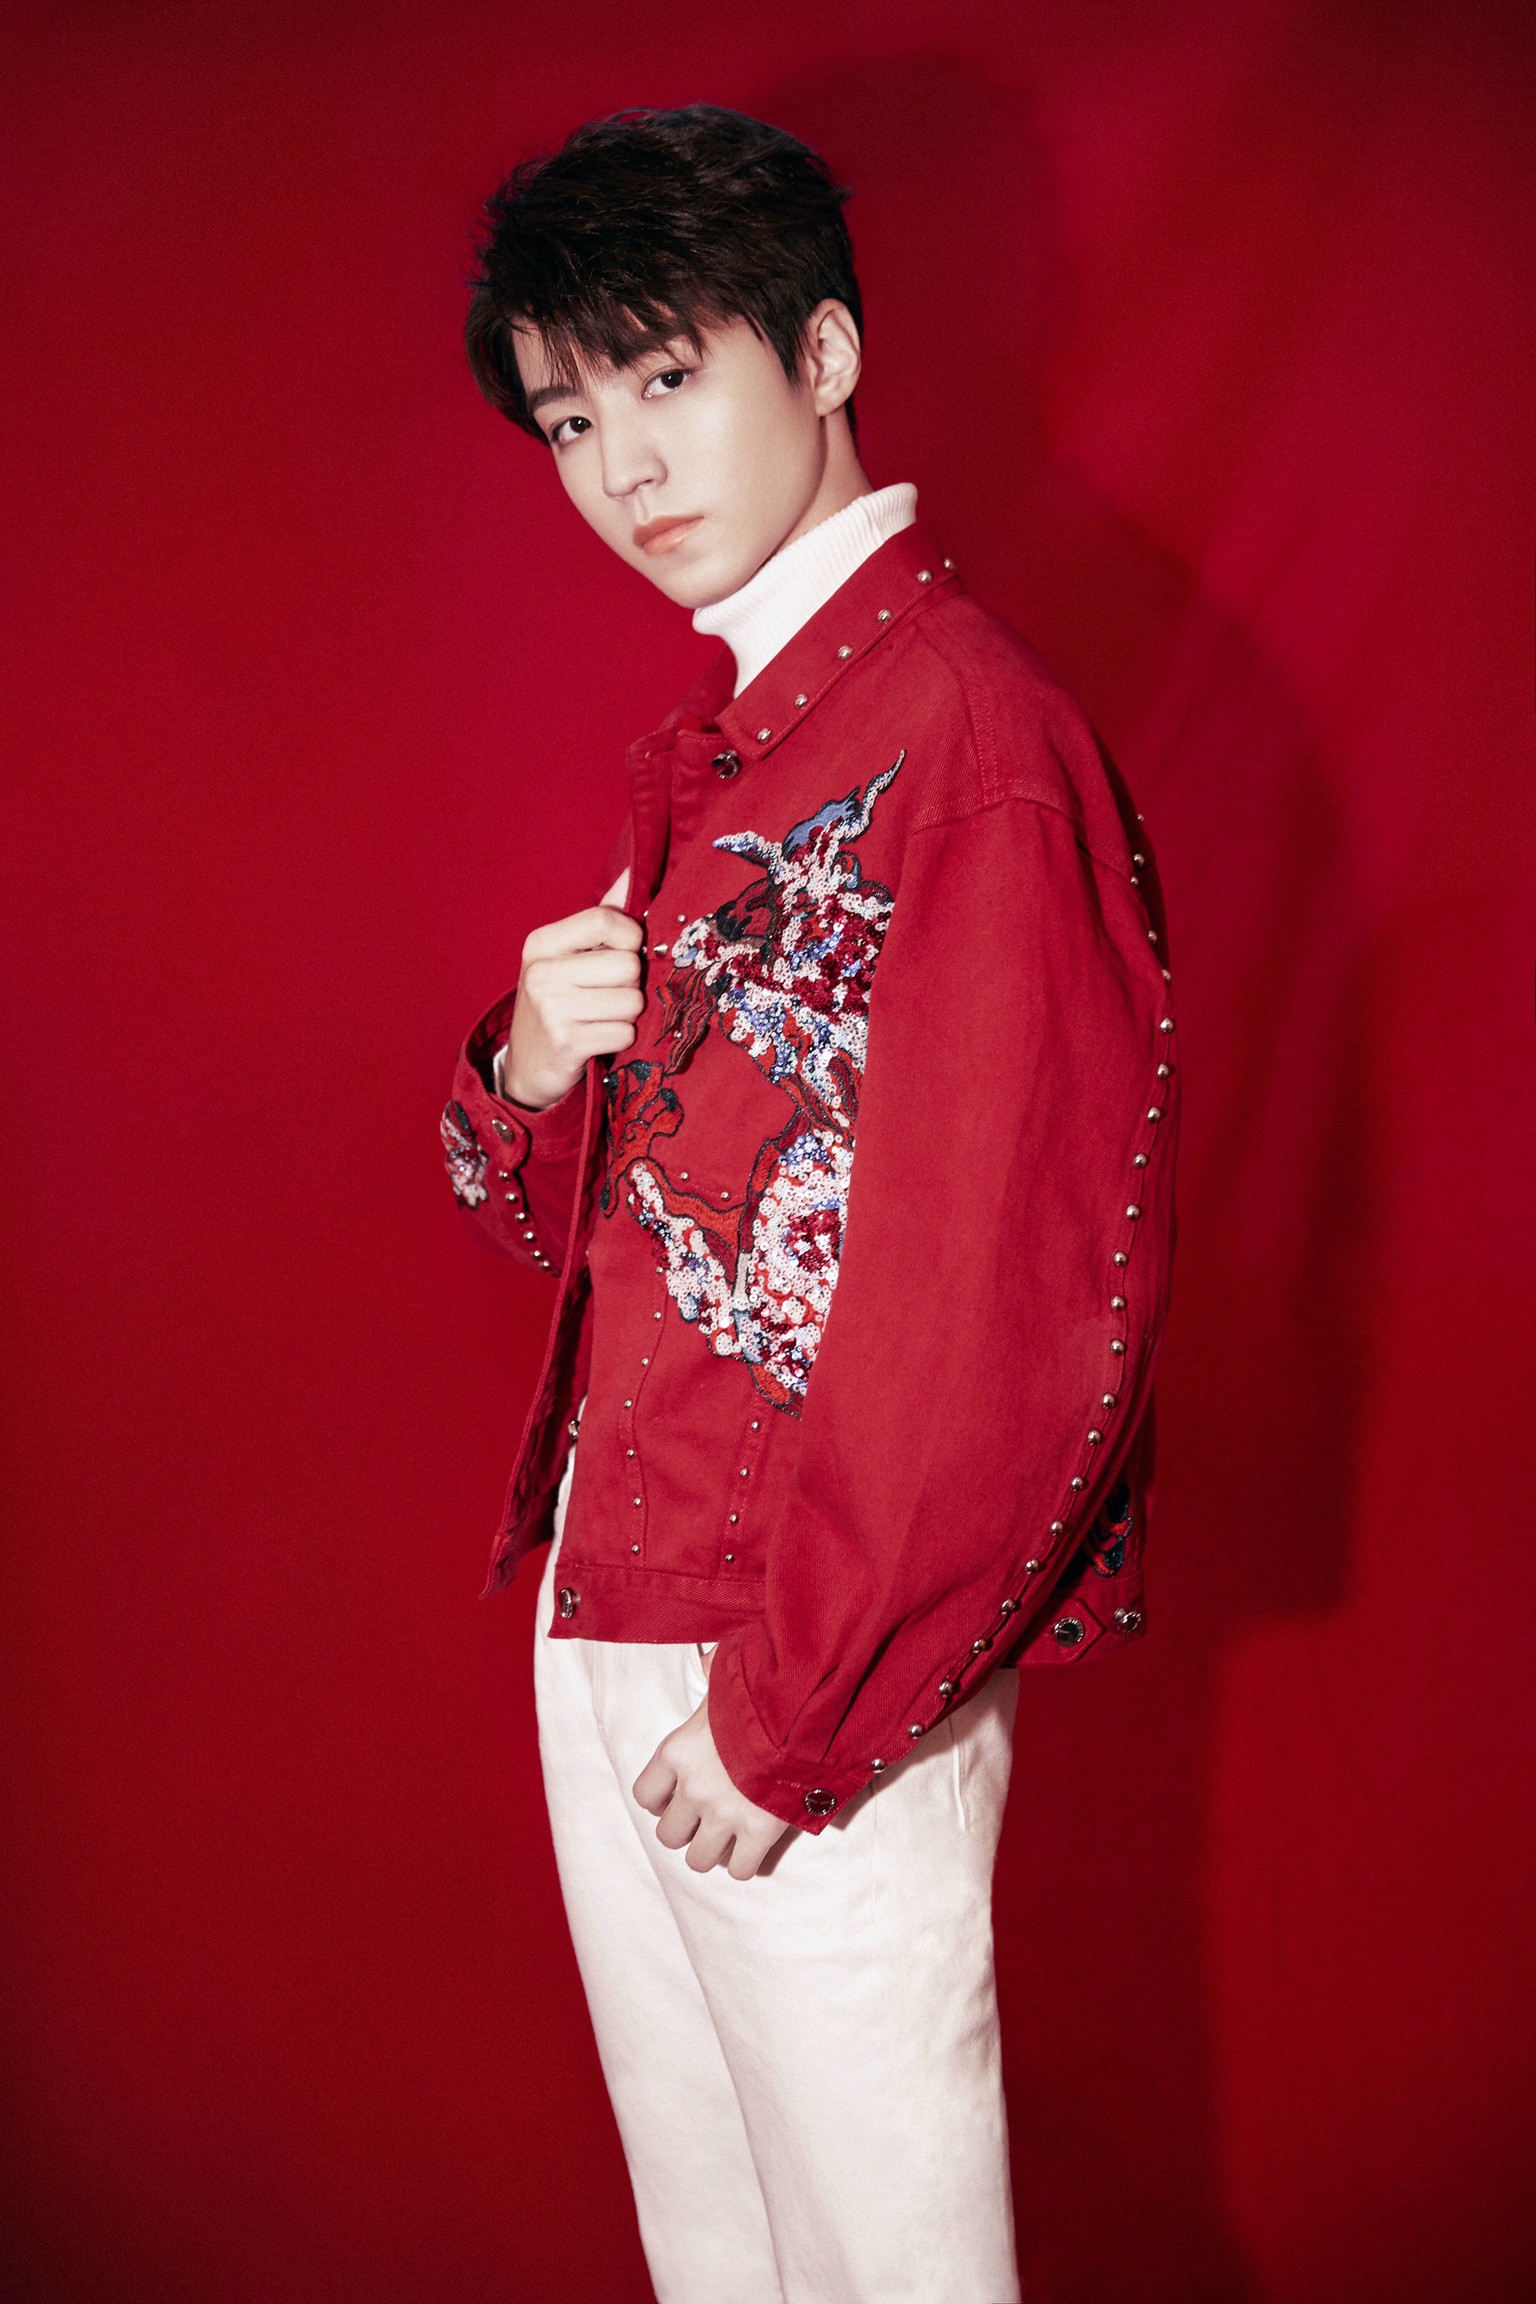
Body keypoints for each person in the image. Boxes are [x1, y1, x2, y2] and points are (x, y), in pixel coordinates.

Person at [441, 103, 1178, 2304]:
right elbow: (621, 1231)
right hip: (623, 1601)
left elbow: (1014, 1304)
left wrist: (800, 1710)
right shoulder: (743, 746)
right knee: (724, 2262)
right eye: (572, 418)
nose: (622, 465)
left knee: (883, 2267)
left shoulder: (965, 742)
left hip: (797, 1656)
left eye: (667, 376)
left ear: (827, 352)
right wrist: (523, 1069)